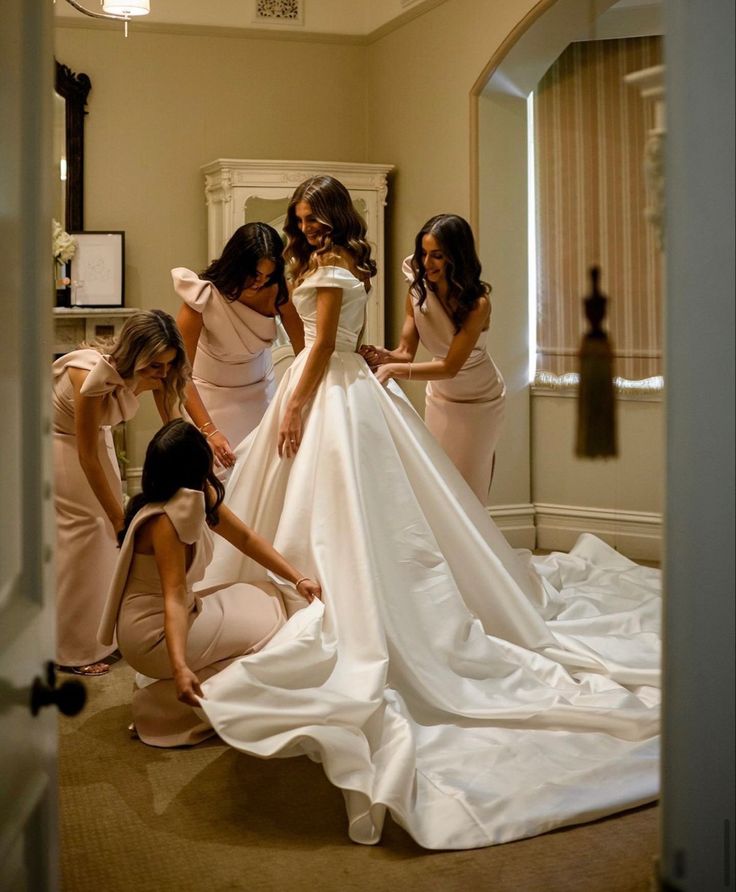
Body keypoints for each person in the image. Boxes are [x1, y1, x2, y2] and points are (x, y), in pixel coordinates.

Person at [193, 175, 661, 851]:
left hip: (330, 387)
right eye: (299, 219)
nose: (305, 229)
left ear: (330, 219)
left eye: (311, 219)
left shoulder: (334, 270)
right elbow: (353, 344)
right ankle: (263, 610)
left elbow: (325, 346)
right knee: (316, 497)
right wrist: (317, 380)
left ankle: (337, 609)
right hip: (337, 382)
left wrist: (292, 404)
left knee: (354, 508)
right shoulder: (338, 264)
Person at [97, 419, 320, 747]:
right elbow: (172, 595)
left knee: (265, 593)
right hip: (151, 634)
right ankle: (166, 706)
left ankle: (183, 688)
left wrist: (297, 577)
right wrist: (179, 666)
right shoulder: (164, 523)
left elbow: (245, 537)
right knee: (270, 623)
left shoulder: (196, 493)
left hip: (172, 611)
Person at [52, 309, 189, 676]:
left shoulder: (157, 373)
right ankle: (70, 650)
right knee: (87, 535)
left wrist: (192, 463)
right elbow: (85, 455)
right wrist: (117, 517)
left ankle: (100, 636)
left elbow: (172, 420)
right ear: (134, 355)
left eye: (167, 365)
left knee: (103, 545)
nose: (161, 375)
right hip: (64, 449)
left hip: (100, 443)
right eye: (154, 367)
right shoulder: (88, 375)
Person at [360, 214, 505, 503]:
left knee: (469, 489)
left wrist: (392, 371)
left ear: (456, 256)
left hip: (480, 401)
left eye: (437, 256)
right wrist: (381, 356)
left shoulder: (478, 304)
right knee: (439, 485)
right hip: (440, 398)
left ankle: (474, 548)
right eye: (424, 254)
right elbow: (404, 353)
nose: (427, 264)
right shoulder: (417, 293)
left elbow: (450, 366)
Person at [173, 222, 304, 474]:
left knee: (260, 477)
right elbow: (180, 374)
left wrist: (296, 405)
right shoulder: (202, 296)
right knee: (215, 477)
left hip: (259, 398)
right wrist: (210, 431)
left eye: (267, 276)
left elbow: (304, 353)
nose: (259, 283)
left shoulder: (278, 292)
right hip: (208, 401)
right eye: (254, 275)